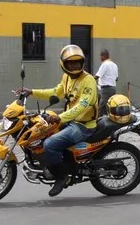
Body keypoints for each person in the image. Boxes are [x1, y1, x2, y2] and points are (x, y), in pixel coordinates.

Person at [14, 44, 99, 197]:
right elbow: (55, 92)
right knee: (41, 132)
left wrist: (59, 118)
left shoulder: (89, 81)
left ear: (82, 62)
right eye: (70, 63)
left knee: (49, 144)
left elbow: (82, 106)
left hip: (83, 126)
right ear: (64, 64)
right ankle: (58, 163)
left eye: (77, 62)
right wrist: (32, 92)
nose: (74, 65)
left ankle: (62, 177)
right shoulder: (67, 77)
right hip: (71, 120)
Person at [95, 49, 119, 116]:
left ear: (104, 56)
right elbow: (116, 78)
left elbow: (97, 76)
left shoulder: (105, 64)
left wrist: (89, 79)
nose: (100, 58)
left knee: (101, 108)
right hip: (113, 89)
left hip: (105, 89)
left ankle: (98, 123)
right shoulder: (115, 65)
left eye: (100, 56)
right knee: (110, 107)